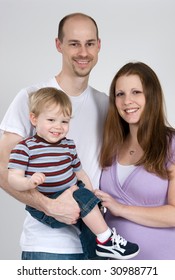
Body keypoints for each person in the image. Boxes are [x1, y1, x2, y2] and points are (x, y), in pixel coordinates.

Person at [0, 12, 129, 260]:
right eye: (74, 43)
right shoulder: (31, 97)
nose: (83, 52)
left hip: (98, 245)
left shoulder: (106, 104)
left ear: (99, 46)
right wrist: (50, 206)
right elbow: (3, 169)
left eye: (90, 43)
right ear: (59, 45)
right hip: (48, 248)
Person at [8, 87, 139, 260]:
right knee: (83, 197)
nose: (58, 126)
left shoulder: (68, 145)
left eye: (64, 121)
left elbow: (80, 173)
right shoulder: (25, 147)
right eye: (51, 120)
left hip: (76, 198)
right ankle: (107, 239)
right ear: (34, 118)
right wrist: (28, 182)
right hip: (47, 208)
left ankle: (100, 248)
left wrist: (92, 197)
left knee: (86, 203)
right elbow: (12, 178)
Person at [94, 61, 175, 260]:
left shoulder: (171, 144)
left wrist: (120, 209)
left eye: (136, 92)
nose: (127, 101)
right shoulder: (111, 145)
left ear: (151, 95)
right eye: (120, 94)